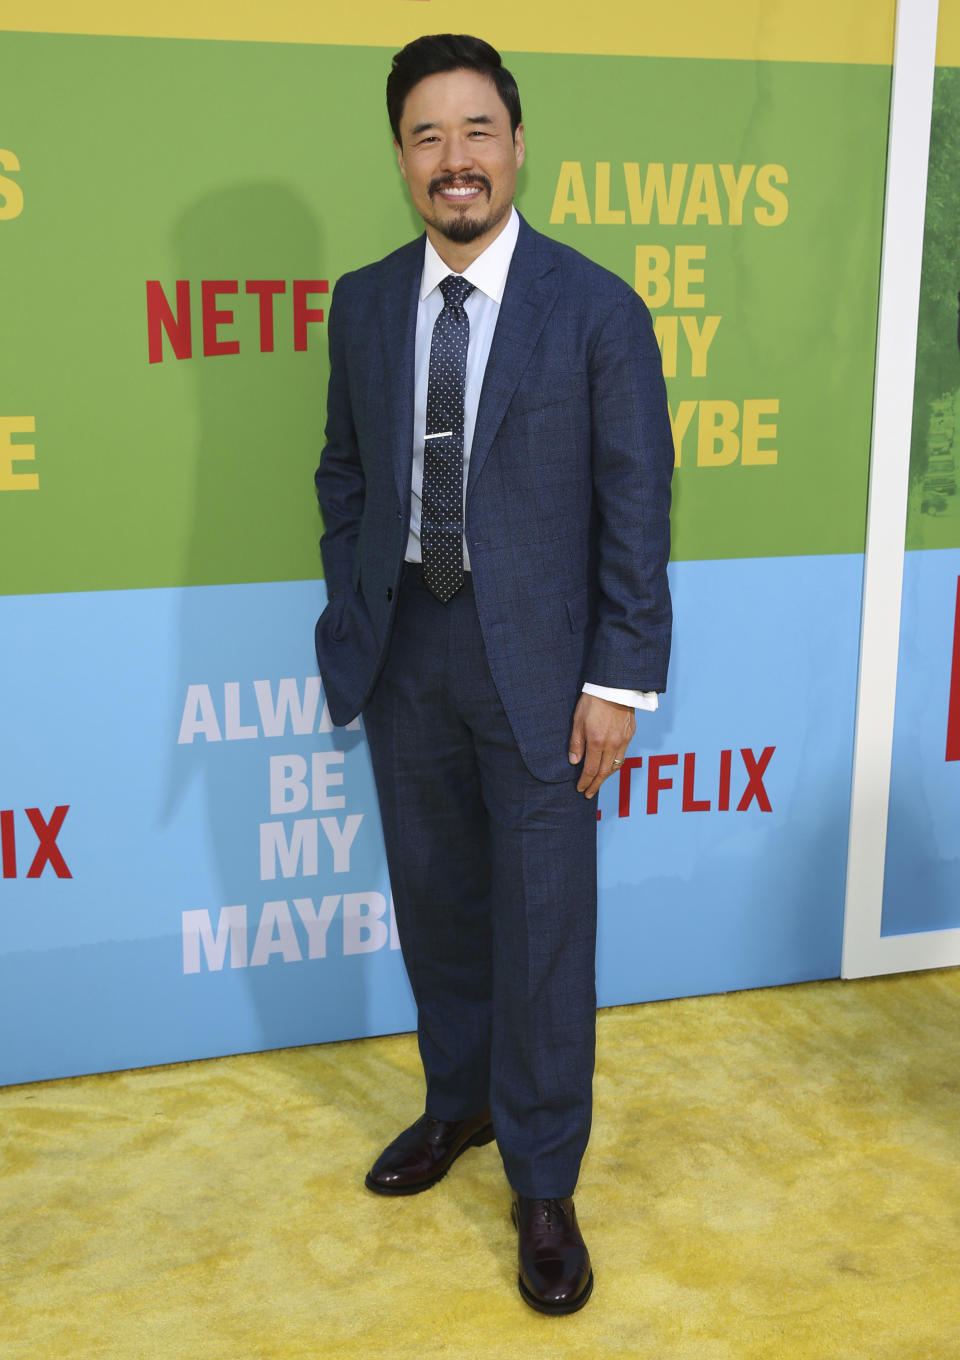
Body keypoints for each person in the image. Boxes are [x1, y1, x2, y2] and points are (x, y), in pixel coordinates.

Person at [314, 33, 672, 1314]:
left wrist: (618, 681)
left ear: (518, 146)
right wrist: (349, 603)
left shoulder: (595, 308)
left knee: (541, 935)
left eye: (476, 131)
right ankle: (456, 1106)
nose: (454, 159)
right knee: (442, 910)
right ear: (402, 158)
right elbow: (343, 472)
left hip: (544, 668)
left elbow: (637, 505)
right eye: (428, 135)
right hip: (406, 647)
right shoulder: (363, 301)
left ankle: (544, 1181)